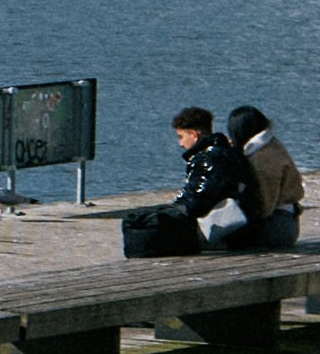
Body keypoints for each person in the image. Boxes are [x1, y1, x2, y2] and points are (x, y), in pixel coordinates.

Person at [123, 107, 257, 256]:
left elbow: (197, 201)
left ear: (194, 135)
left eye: (181, 136)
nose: (180, 143)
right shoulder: (226, 151)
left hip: (223, 230)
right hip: (240, 228)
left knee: (144, 231)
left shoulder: (208, 158)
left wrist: (172, 211)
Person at [227, 105, 307, 251]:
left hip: (277, 227)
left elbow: (263, 207)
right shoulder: (271, 144)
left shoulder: (262, 159)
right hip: (286, 222)